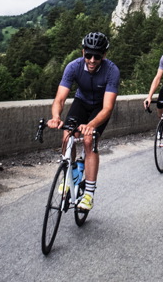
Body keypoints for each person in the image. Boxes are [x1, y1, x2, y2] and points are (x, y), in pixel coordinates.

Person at [47, 31, 120, 211]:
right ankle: (70, 174)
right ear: (83, 53)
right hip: (81, 102)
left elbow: (108, 108)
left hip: (100, 107)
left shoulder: (112, 71)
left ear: (104, 55)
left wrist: (91, 125)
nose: (92, 60)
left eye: (97, 56)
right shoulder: (73, 67)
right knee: (67, 136)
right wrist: (56, 117)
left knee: (89, 141)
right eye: (88, 55)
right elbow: (60, 99)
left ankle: (89, 193)